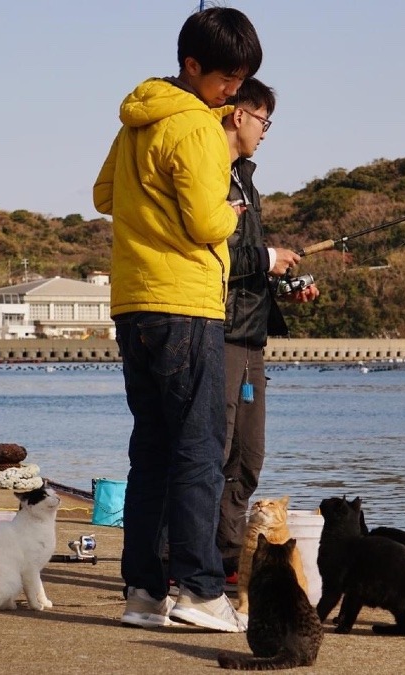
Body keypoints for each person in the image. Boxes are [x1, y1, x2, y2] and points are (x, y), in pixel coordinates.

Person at [92, 7, 262, 633]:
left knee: (153, 451)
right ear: (193, 67)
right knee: (198, 452)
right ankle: (198, 590)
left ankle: (142, 591)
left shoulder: (139, 121)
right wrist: (233, 206)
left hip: (134, 301)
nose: (233, 93)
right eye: (226, 80)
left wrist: (150, 206)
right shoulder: (195, 128)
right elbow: (207, 222)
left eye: (240, 82)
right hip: (185, 302)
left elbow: (104, 195)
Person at [216, 79, 320, 587]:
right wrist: (266, 258)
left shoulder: (245, 183)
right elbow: (209, 255)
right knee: (212, 452)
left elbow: (246, 266)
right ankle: (183, 563)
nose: (265, 132)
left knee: (247, 458)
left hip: (252, 336)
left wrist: (282, 278)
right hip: (221, 335)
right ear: (238, 115)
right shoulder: (211, 172)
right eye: (263, 120)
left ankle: (227, 558)